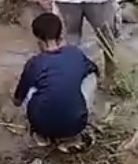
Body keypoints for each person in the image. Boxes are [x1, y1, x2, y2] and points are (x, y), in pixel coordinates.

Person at [13, 13, 99, 147]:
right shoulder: (74, 53)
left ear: (38, 41)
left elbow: (17, 101)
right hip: (76, 126)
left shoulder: (34, 63)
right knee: (89, 76)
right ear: (61, 35)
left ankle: (42, 136)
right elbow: (95, 70)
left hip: (41, 126)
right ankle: (71, 128)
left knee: (34, 86)